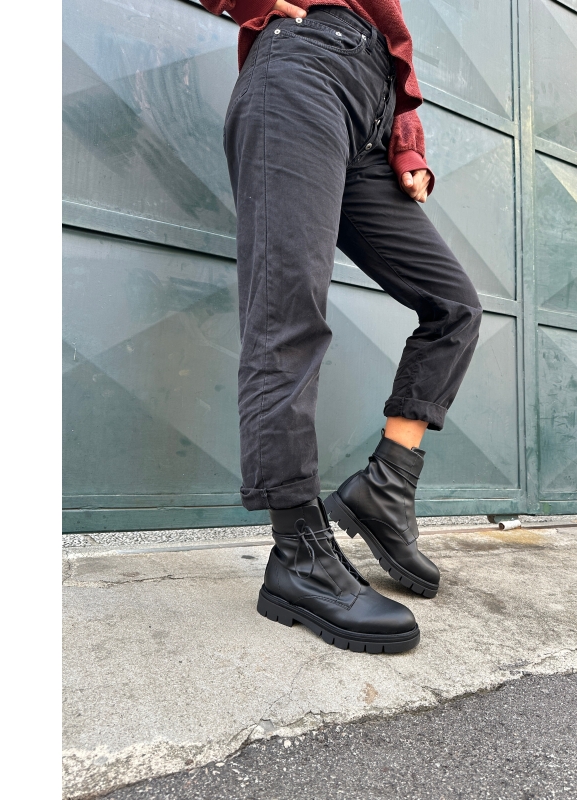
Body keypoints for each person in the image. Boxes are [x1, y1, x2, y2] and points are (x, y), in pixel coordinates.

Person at [201, 0, 483, 653]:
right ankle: (298, 554)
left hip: (368, 120)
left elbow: (391, 38)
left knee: (455, 305)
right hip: (301, 76)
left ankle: (386, 488)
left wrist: (406, 142)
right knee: (288, 314)